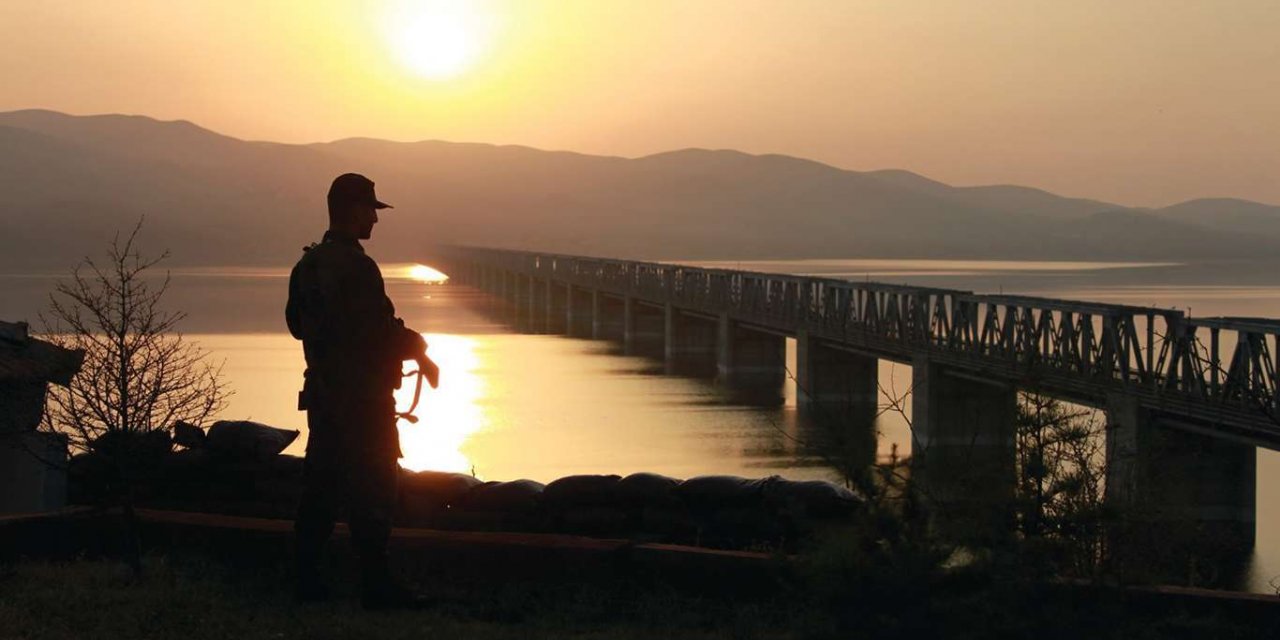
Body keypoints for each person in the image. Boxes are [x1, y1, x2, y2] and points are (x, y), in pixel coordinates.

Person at [285, 173, 438, 609]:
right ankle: (376, 586)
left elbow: (296, 326)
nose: (375, 218)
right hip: (365, 401)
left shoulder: (307, 265)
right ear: (353, 210)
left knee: (321, 488)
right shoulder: (358, 266)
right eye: (371, 209)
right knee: (374, 490)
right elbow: (379, 332)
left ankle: (305, 581)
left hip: (325, 398)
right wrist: (419, 347)